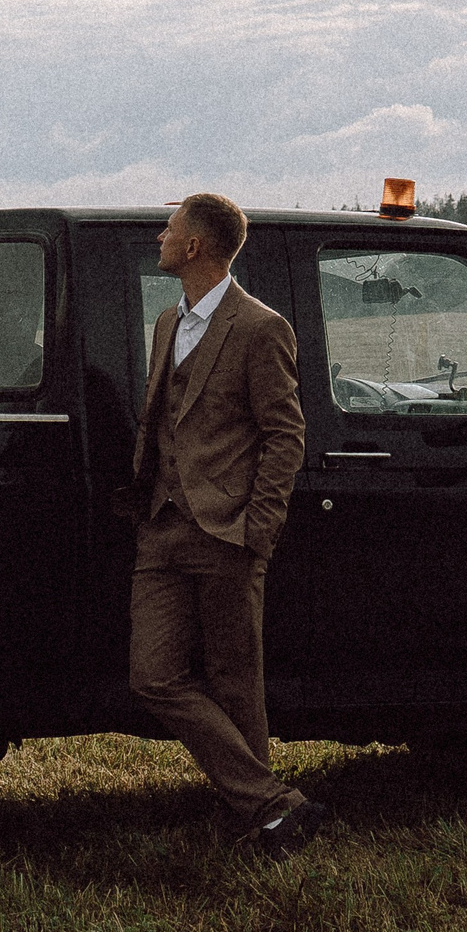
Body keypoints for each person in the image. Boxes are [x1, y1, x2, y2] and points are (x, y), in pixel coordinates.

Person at [115, 193, 325, 855]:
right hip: (162, 527)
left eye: (170, 228)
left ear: (196, 246)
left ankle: (250, 826)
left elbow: (285, 437)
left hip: (228, 534)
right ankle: (273, 803)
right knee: (152, 676)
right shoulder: (164, 323)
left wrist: (255, 530)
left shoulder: (260, 327)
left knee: (238, 681)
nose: (160, 236)